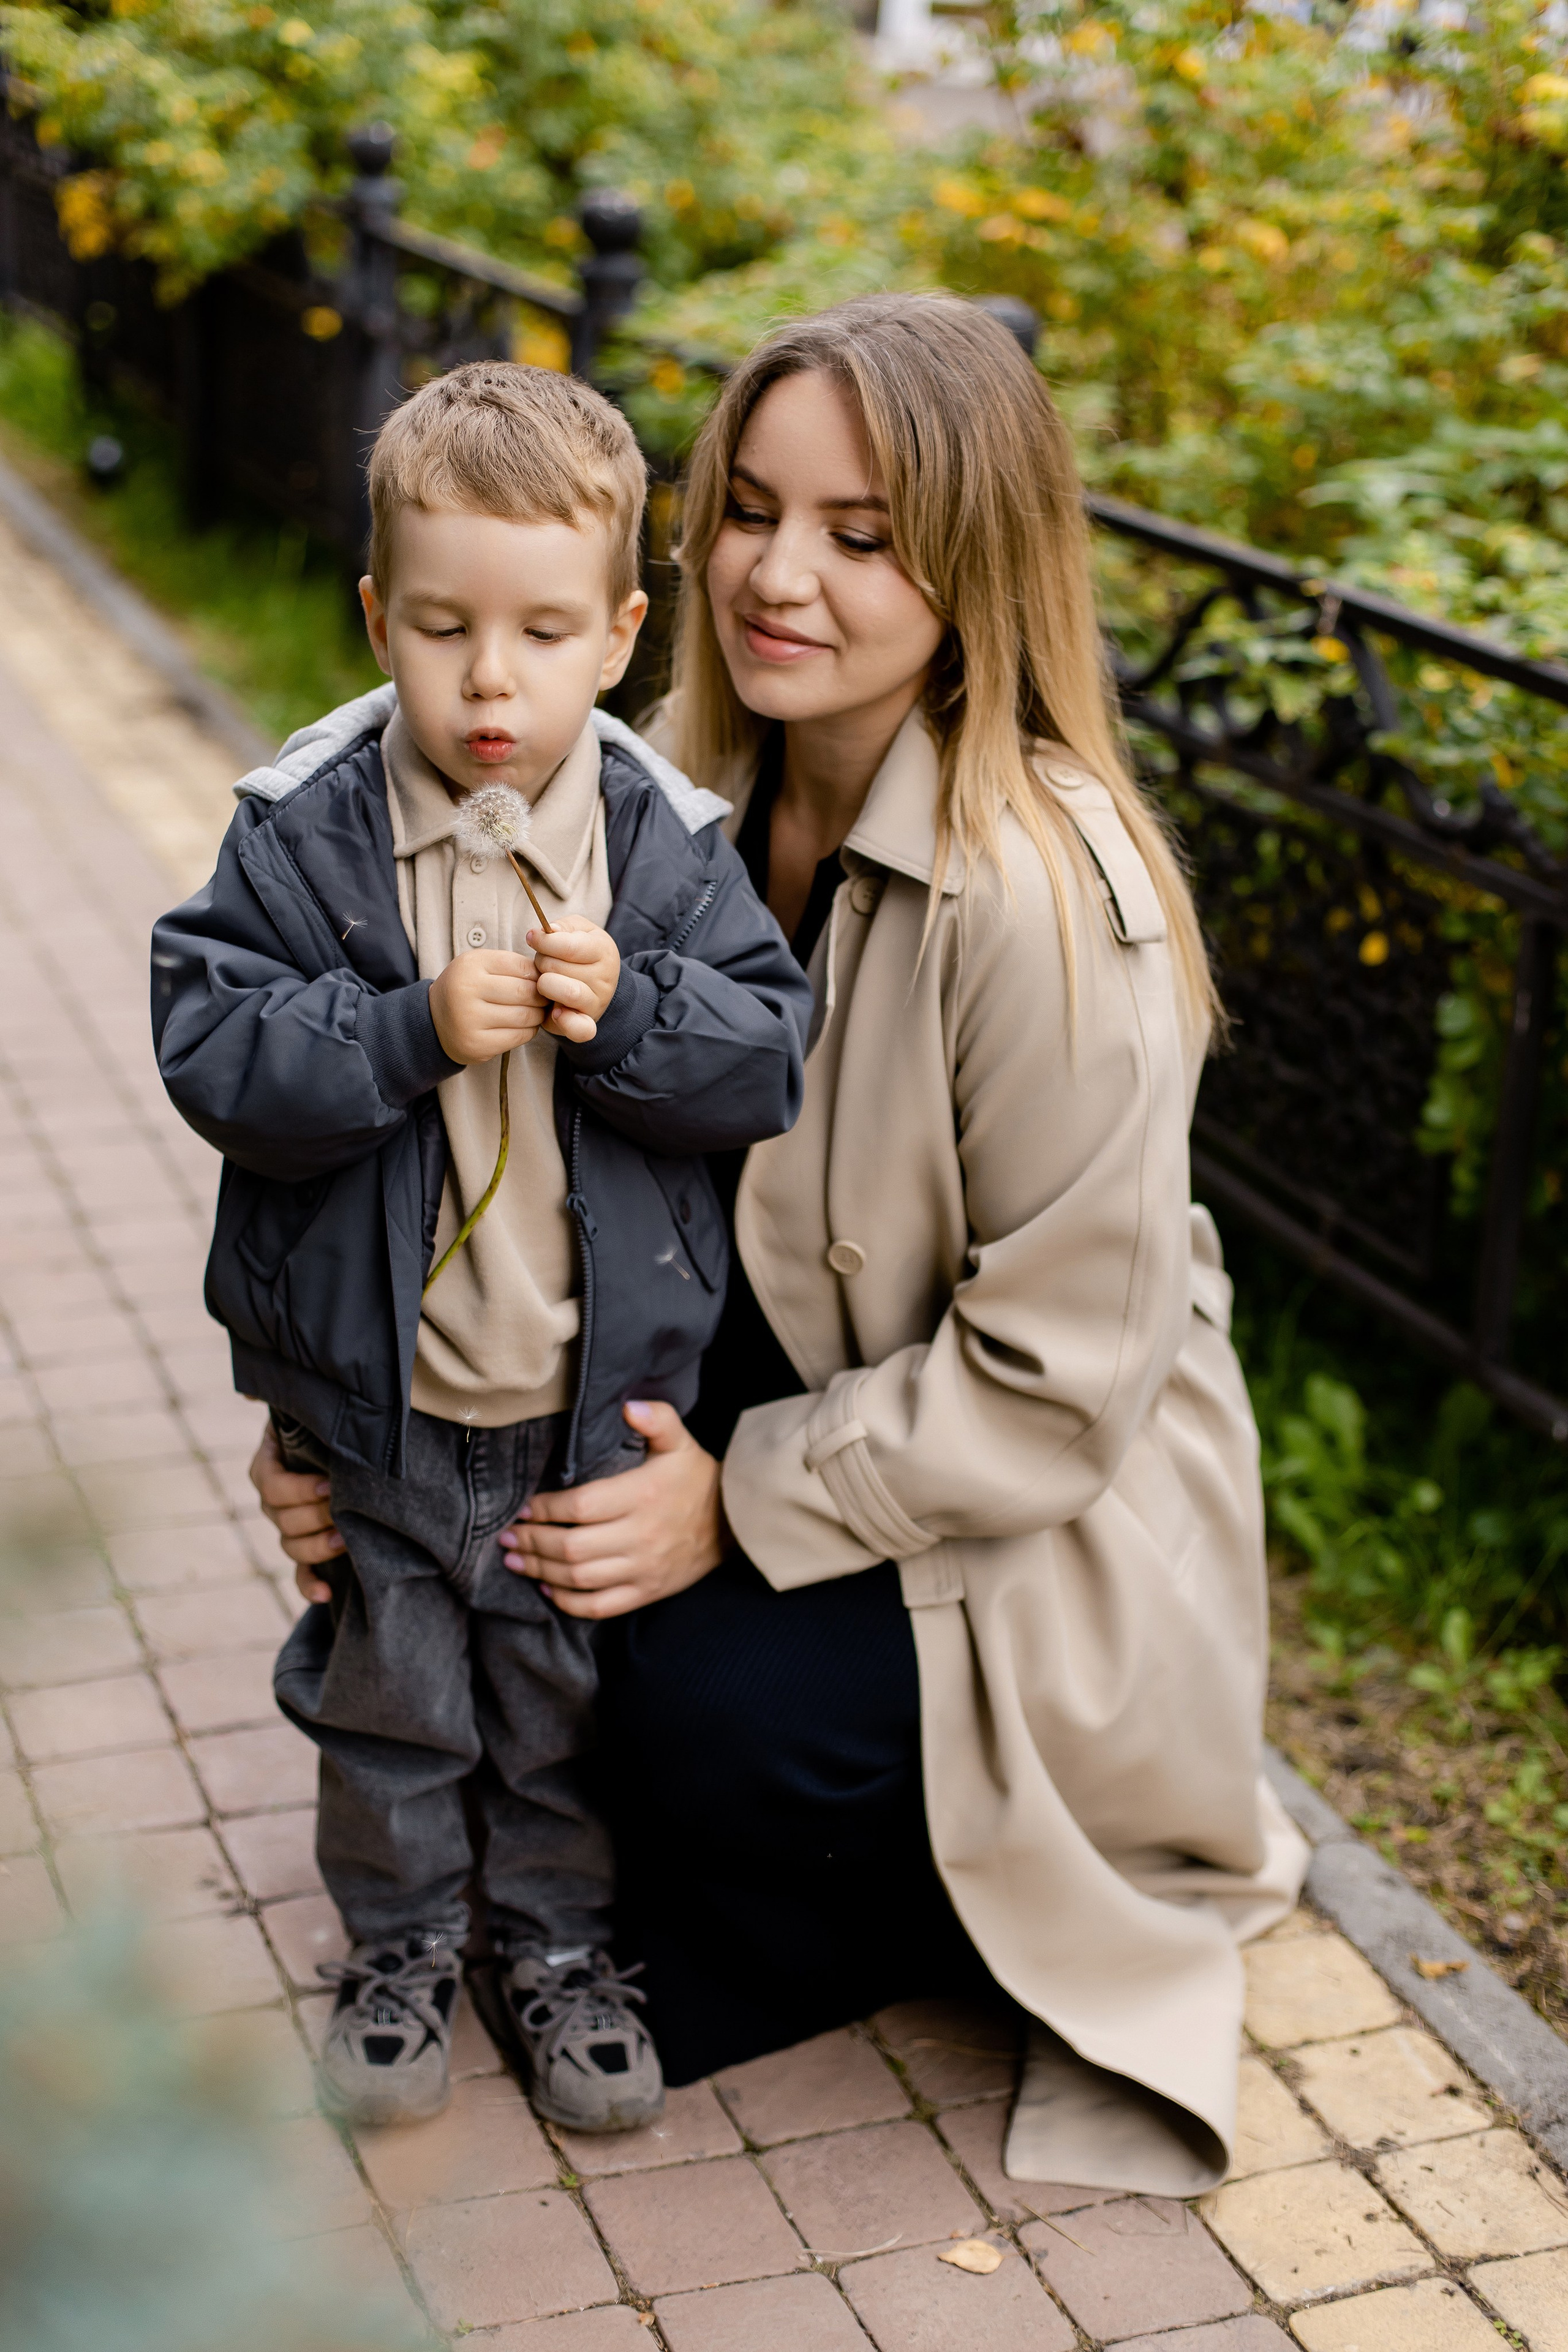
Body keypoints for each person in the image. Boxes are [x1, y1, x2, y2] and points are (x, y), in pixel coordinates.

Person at [254, 295, 1308, 2193]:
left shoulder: (1053, 902)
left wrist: (730, 1502)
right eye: (747, 508)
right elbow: (462, 1136)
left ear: (973, 560)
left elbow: (1058, 1384)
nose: (778, 573)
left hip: (1023, 1499)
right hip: (754, 1366)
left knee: (668, 1707)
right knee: (432, 1593)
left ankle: (916, 1904)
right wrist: (344, 1400)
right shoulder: (663, 792)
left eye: (861, 532)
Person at [153, 362, 812, 2133]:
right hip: (383, 1405)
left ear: (619, 634)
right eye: (442, 630)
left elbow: (766, 1058)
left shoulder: (666, 850)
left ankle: (558, 1949)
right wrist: (405, 1026)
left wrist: (641, 1010)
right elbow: (211, 1047)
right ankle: (395, 1946)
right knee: (393, 1705)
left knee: (552, 1709)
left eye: (537, 631)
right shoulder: (305, 829)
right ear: (380, 616)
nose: (488, 680)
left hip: (581, 1409)